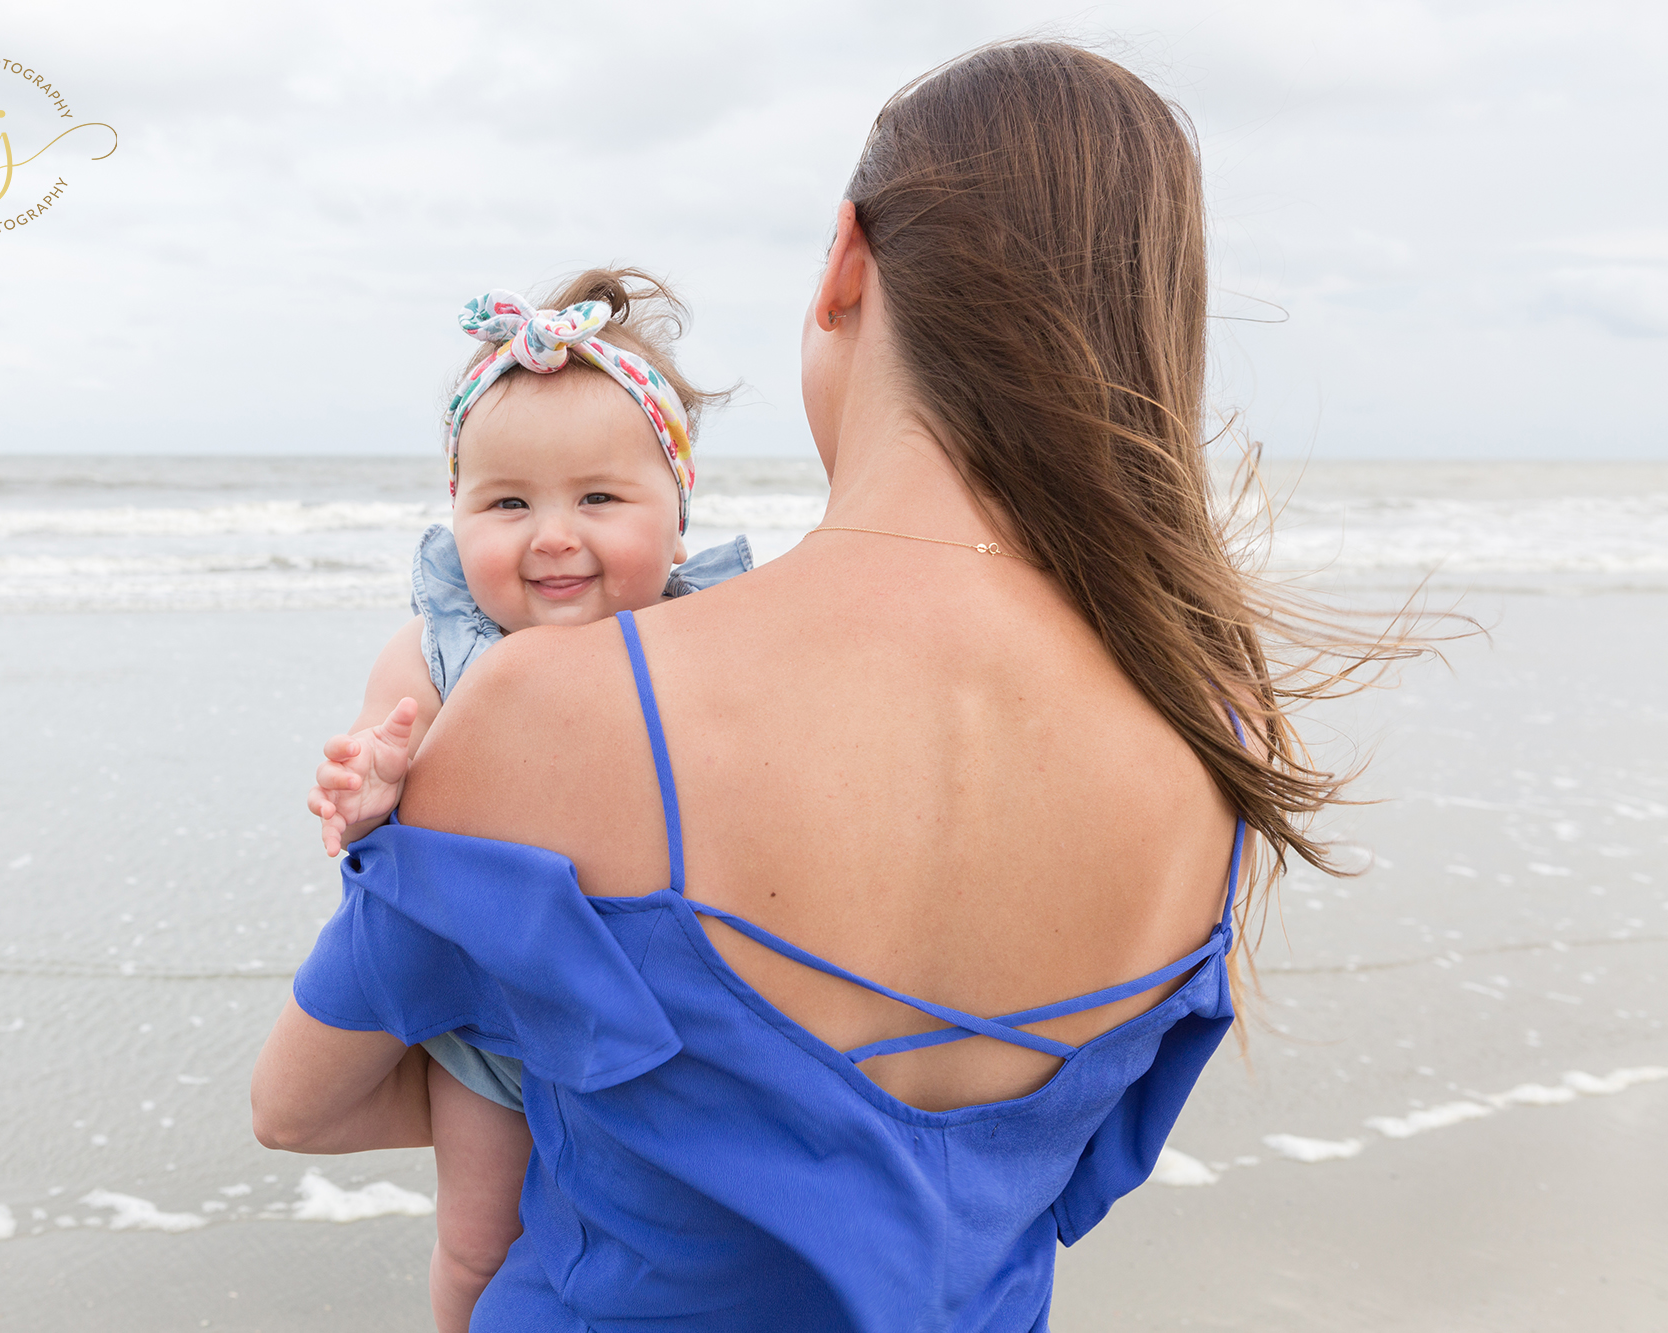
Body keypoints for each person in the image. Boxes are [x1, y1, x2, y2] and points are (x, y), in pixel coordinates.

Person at [256, 39, 1382, 1330]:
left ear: (846, 262)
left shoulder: (552, 703)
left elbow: (299, 1105)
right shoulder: (1216, 735)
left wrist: (579, 1071)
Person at [307, 270, 747, 1331]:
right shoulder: (434, 652)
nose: (551, 534)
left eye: (598, 499)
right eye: (507, 503)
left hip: (661, 1021)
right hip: (488, 1025)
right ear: (456, 518)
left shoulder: (710, 645)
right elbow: (372, 791)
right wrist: (368, 790)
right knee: (477, 1240)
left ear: (677, 521)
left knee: (655, 1241)